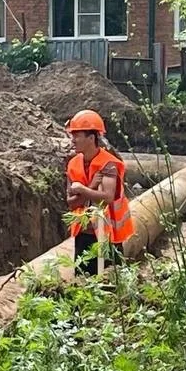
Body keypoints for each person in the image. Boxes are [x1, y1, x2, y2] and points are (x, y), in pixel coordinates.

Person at [64, 109, 134, 274]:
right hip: (83, 232)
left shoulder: (109, 164)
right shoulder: (73, 164)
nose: (72, 140)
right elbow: (71, 203)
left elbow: (107, 198)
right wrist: (91, 187)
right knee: (83, 279)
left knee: (109, 279)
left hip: (107, 234)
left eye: (76, 135)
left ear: (91, 138)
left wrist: (81, 190)